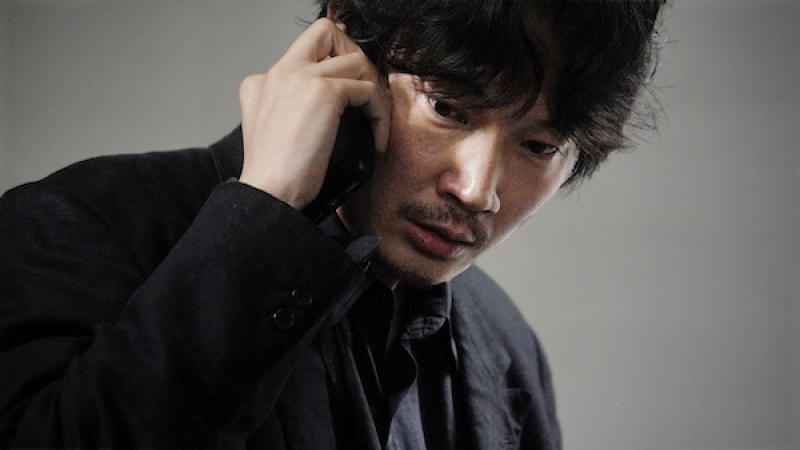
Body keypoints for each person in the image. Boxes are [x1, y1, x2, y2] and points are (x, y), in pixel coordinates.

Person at [0, 0, 667, 448]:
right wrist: (267, 204)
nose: (476, 190)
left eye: (540, 147)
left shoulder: (506, 343)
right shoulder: (79, 223)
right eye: (447, 108)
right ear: (346, 36)